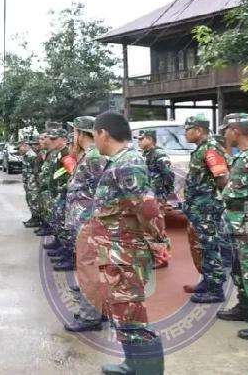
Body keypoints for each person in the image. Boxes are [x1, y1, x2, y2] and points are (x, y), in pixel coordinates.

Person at [75, 112, 164, 374]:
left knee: (131, 314)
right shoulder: (119, 161)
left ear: (103, 133)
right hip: (115, 251)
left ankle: (148, 370)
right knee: (122, 312)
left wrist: (159, 242)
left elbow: (147, 208)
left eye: (95, 135)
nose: (94, 141)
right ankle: (133, 363)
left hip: (126, 254)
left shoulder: (128, 162)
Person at [216, 113, 248, 340]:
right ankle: (245, 306)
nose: (225, 134)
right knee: (240, 265)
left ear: (235, 131)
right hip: (239, 221)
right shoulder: (244, 156)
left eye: (226, 130)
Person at [60, 116, 108, 332]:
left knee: (88, 269)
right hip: (87, 221)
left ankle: (91, 317)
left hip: (89, 222)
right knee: (92, 267)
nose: (73, 136)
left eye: (74, 132)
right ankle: (97, 310)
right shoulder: (91, 155)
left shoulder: (94, 156)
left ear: (80, 134)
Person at [182, 115, 229, 303]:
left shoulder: (210, 149)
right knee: (203, 246)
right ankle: (208, 281)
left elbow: (222, 178)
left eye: (188, 129)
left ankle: (216, 289)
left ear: (199, 130)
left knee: (210, 247)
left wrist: (214, 200)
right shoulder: (201, 149)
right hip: (199, 209)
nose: (185, 133)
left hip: (207, 209)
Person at [40, 127, 76, 271]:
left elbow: (70, 173)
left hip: (64, 194)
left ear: (64, 140)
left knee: (64, 225)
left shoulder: (66, 153)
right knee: (58, 222)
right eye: (51, 138)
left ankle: (69, 255)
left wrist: (62, 188)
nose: (51, 141)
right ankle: (61, 246)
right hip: (57, 193)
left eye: (54, 139)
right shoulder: (57, 153)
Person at [138, 130, 174, 269]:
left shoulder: (159, 154)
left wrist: (165, 194)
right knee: (150, 226)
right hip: (147, 195)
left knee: (156, 226)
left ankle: (161, 258)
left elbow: (169, 175)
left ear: (150, 139)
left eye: (141, 139)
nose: (139, 142)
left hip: (157, 195)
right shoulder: (145, 154)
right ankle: (158, 254)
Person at [20, 140, 38, 227]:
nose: (19, 150)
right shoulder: (26, 156)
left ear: (26, 146)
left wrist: (33, 181)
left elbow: (35, 170)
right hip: (28, 182)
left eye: (20, 148)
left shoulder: (31, 156)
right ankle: (33, 217)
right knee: (29, 201)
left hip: (32, 183)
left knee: (33, 201)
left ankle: (36, 219)